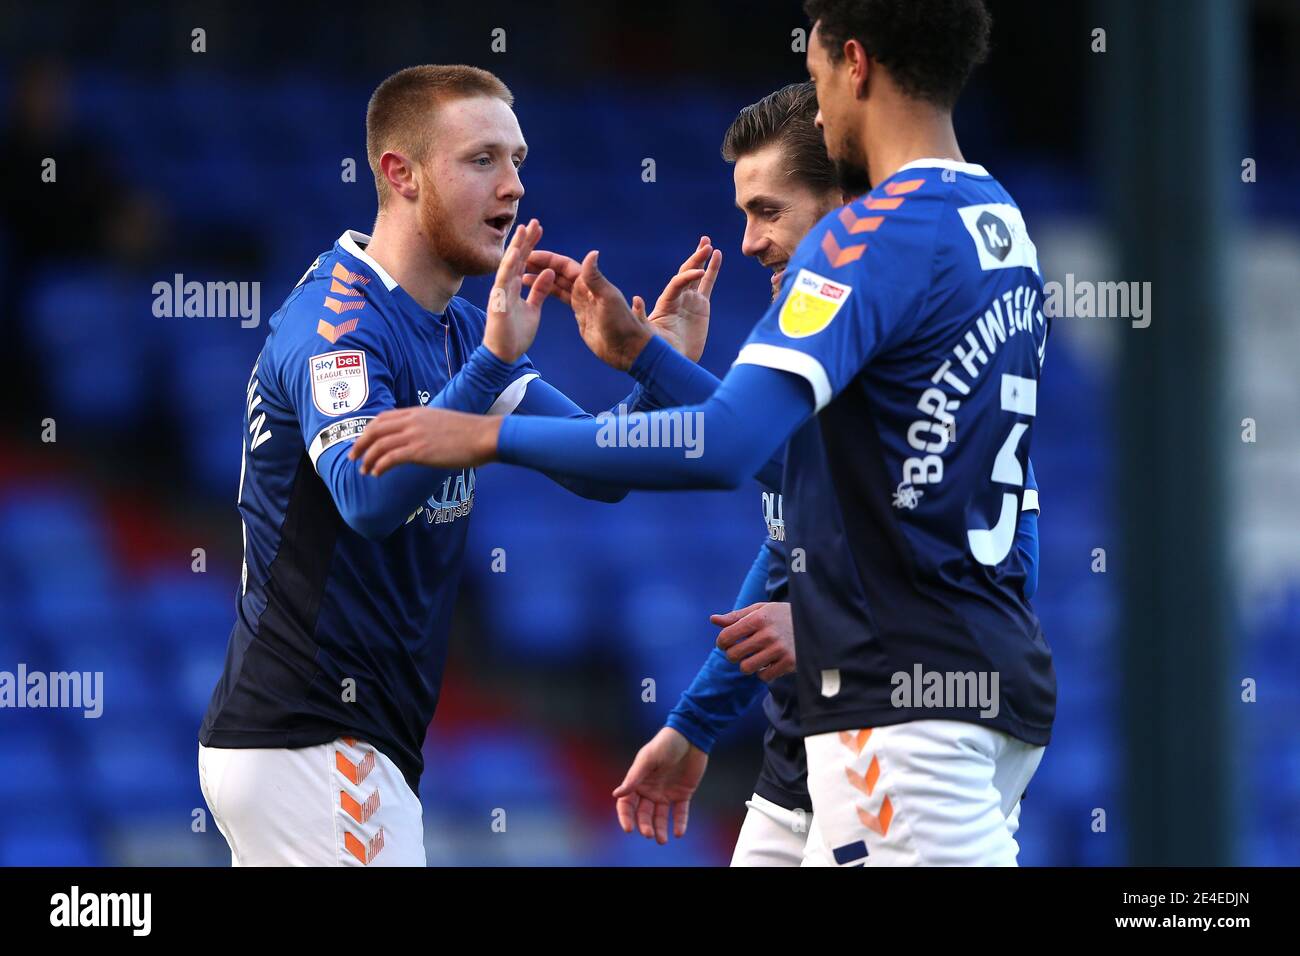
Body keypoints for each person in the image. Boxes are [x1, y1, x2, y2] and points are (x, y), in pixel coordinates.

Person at [351, 0, 1057, 867]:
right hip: (976, 684)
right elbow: (813, 474)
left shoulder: (865, 236)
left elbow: (727, 446)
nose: (819, 98)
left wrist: (487, 438)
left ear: (855, 66)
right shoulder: (1001, 224)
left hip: (898, 709)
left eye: (815, 73)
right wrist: (648, 358)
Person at [197, 64, 726, 866]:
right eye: (482, 160)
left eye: (517, 160)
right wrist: (484, 370)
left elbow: (598, 467)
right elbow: (366, 499)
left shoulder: (454, 326)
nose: (513, 187)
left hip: (347, 744)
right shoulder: (339, 323)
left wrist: (658, 367)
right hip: (308, 734)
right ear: (399, 174)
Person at [611, 82, 1041, 866]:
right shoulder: (826, 345)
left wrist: (826, 632)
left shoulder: (912, 345)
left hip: (897, 709)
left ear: (845, 208)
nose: (747, 242)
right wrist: (695, 724)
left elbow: (1000, 555)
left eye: (768, 211)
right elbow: (788, 532)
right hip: (808, 739)